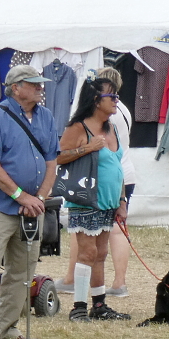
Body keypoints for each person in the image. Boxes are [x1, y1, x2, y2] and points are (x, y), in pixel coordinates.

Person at [0, 65, 59, 339]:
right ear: (16, 88)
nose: (41, 88)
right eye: (34, 84)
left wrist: (40, 197)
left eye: (40, 83)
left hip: (32, 208)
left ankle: (7, 328)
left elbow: (52, 162)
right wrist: (22, 197)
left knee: (23, 272)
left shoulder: (46, 117)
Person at [55, 67, 135, 298]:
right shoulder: (78, 127)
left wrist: (121, 200)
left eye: (117, 96)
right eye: (112, 96)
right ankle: (80, 306)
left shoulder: (112, 129)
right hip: (86, 199)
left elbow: (117, 168)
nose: (116, 101)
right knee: (87, 253)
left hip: (108, 201)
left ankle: (99, 304)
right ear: (96, 100)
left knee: (100, 254)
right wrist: (86, 148)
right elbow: (59, 157)